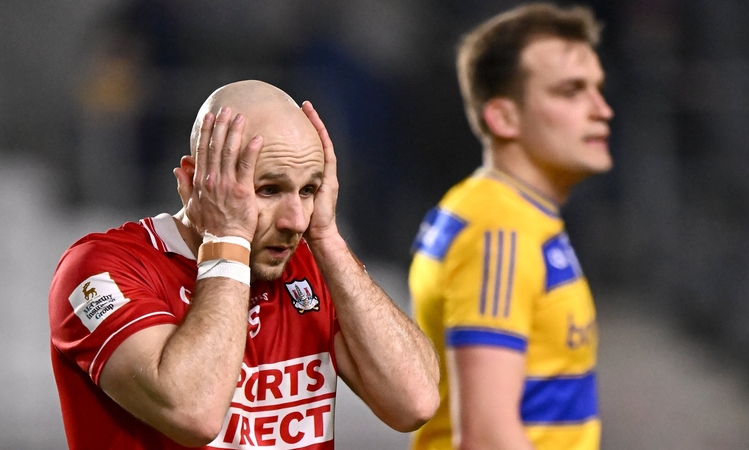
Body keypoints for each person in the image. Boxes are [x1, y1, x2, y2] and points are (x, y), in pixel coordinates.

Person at [49, 80, 440, 449]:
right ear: (192, 182)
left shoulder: (313, 260)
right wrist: (228, 239)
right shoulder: (100, 270)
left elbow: (414, 403)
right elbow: (194, 412)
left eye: (308, 189)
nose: (295, 220)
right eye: (268, 189)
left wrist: (328, 240)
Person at [408, 3, 613, 450]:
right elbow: (485, 437)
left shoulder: (508, 212)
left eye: (598, 88)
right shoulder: (498, 229)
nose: (602, 109)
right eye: (571, 91)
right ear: (503, 117)